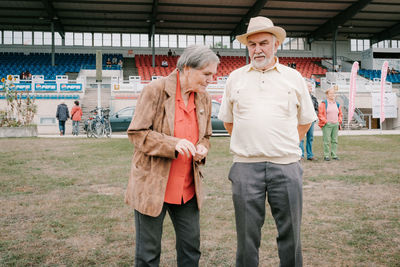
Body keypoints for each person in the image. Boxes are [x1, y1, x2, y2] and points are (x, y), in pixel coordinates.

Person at [218, 16, 317, 267]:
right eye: (252, 44)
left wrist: (283, 144)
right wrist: (250, 144)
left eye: (263, 43)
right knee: (247, 236)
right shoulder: (234, 78)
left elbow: (306, 120)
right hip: (245, 166)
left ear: (276, 45)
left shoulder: (293, 77)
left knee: (291, 232)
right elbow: (228, 121)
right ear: (247, 47)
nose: (258, 49)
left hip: (286, 166)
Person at [125, 45, 219, 267]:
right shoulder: (155, 90)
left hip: (187, 190)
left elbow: (205, 136)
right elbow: (137, 134)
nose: (210, 80)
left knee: (191, 250)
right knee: (148, 254)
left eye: (212, 75)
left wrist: (203, 147)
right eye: (206, 74)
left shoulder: (203, 98)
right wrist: (172, 144)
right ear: (187, 68)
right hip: (152, 187)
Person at [318, 85, 343, 161]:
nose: (332, 95)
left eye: (333, 93)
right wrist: (326, 122)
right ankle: (326, 155)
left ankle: (334, 155)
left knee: (335, 140)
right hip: (327, 125)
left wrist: (339, 121)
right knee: (326, 141)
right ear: (327, 95)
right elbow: (320, 114)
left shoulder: (337, 104)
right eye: (330, 93)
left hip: (335, 124)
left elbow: (340, 114)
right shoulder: (323, 103)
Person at [300, 81, 319, 161]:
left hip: (311, 121)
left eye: (311, 87)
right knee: (301, 138)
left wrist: (314, 116)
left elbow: (316, 108)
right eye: (309, 86)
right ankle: (301, 155)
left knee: (310, 138)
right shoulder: (301, 97)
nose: (311, 88)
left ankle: (310, 155)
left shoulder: (314, 98)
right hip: (302, 120)